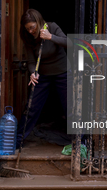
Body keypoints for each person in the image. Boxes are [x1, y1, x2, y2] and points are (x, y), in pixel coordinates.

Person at [16, 9, 72, 149]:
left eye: (32, 27)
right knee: (32, 107)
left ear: (39, 22)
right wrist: (33, 72)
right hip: (43, 75)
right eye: (27, 28)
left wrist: (50, 37)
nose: (30, 31)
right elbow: (30, 60)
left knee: (70, 108)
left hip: (63, 72)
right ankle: (18, 140)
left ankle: (80, 142)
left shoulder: (52, 27)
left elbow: (69, 43)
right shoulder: (27, 36)